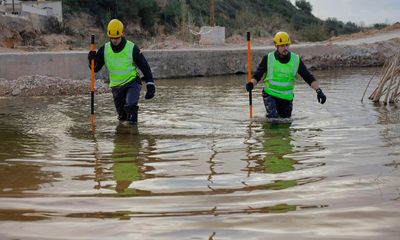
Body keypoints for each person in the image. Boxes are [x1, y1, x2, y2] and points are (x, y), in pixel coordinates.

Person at [88, 19, 155, 125]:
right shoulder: (104, 49)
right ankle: (123, 137)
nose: (114, 40)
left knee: (131, 106)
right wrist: (91, 59)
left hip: (131, 82)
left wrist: (150, 84)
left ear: (122, 34)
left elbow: (144, 66)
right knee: (122, 117)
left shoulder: (132, 48)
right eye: (112, 38)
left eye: (116, 38)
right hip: (116, 87)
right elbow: (95, 68)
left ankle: (134, 136)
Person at [246, 31, 326, 119]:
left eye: (287, 45)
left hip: (286, 97)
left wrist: (318, 91)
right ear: (276, 46)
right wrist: (251, 84)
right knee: (273, 119)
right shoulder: (268, 58)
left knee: (286, 122)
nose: (285, 48)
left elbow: (308, 77)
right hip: (270, 94)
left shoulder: (296, 60)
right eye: (282, 45)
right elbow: (257, 75)